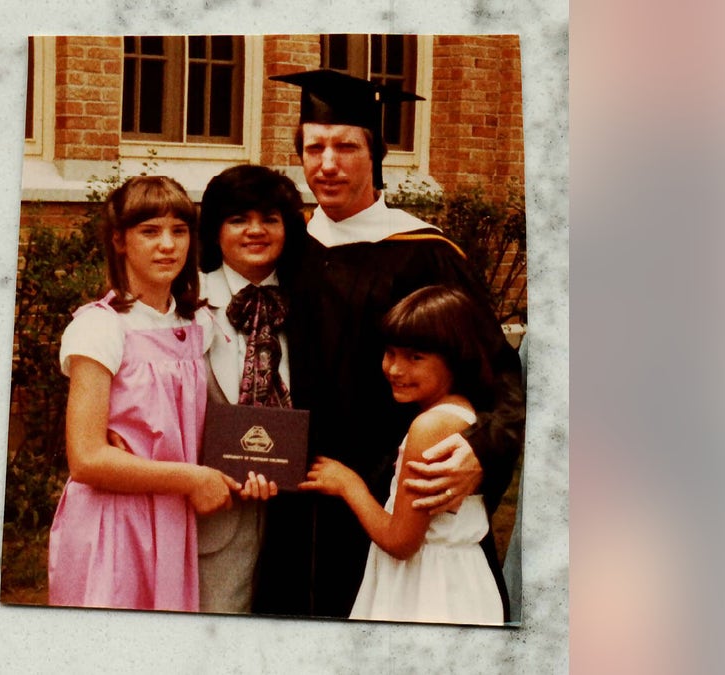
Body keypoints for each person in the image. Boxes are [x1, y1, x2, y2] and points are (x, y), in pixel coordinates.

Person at [253, 69, 526, 618]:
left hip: (388, 496)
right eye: (314, 147)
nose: (327, 163)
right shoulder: (290, 247)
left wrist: (480, 450)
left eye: (346, 146)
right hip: (293, 497)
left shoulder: (425, 253)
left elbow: (501, 379)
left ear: (376, 152)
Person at [47, 175, 243, 612]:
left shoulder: (199, 327)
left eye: (179, 230)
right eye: (149, 231)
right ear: (119, 241)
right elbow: (87, 458)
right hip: (113, 520)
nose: (168, 245)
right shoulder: (101, 328)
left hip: (173, 519)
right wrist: (191, 477)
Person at [300, 285, 509, 624]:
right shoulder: (461, 412)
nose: (395, 369)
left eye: (415, 357)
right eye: (390, 353)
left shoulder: (430, 427)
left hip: (426, 590)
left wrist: (348, 485)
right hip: (458, 580)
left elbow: (401, 541)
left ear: (457, 357)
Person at [195, 164, 308, 613]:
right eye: (238, 219)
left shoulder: (314, 302)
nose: (255, 231)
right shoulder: (184, 304)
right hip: (214, 520)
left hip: (300, 522)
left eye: (270, 219)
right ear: (216, 230)